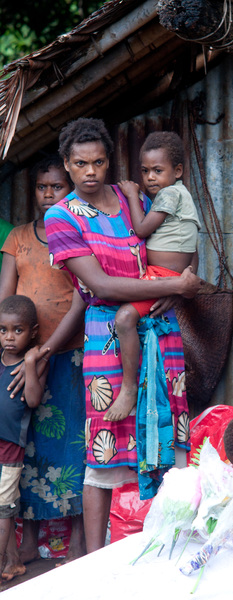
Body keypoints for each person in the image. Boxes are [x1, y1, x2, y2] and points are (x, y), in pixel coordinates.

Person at [44, 117, 202, 553]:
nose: (91, 172)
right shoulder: (61, 217)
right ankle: (95, 560)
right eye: (80, 164)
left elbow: (176, 236)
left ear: (109, 161)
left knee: (167, 439)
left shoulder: (128, 195)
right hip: (108, 335)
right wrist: (173, 286)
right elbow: (103, 287)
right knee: (105, 449)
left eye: (98, 162)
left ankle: (170, 549)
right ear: (67, 165)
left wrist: (179, 279)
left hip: (161, 326)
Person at [0, 156, 86, 566]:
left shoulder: (77, 234)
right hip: (20, 358)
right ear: (33, 191)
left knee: (73, 445)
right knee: (26, 445)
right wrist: (12, 352)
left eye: (57, 187)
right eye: (42, 187)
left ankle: (77, 543)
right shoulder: (18, 237)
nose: (49, 194)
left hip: (70, 355)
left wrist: (47, 348)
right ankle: (30, 540)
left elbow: (84, 295)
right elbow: (5, 298)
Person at [105, 131, 201, 422]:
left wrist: (132, 195)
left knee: (123, 318)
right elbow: (192, 248)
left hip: (161, 275)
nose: (149, 178)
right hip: (164, 276)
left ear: (178, 171)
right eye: (145, 171)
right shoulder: (177, 196)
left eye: (158, 171)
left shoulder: (169, 195)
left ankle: (129, 387)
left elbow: (142, 229)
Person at [0, 295, 49, 582]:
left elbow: (32, 400)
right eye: (3, 330)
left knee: (3, 509)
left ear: (32, 331)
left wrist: (30, 363)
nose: (9, 337)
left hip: (9, 449)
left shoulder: (37, 361)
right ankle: (14, 562)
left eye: (17, 330)